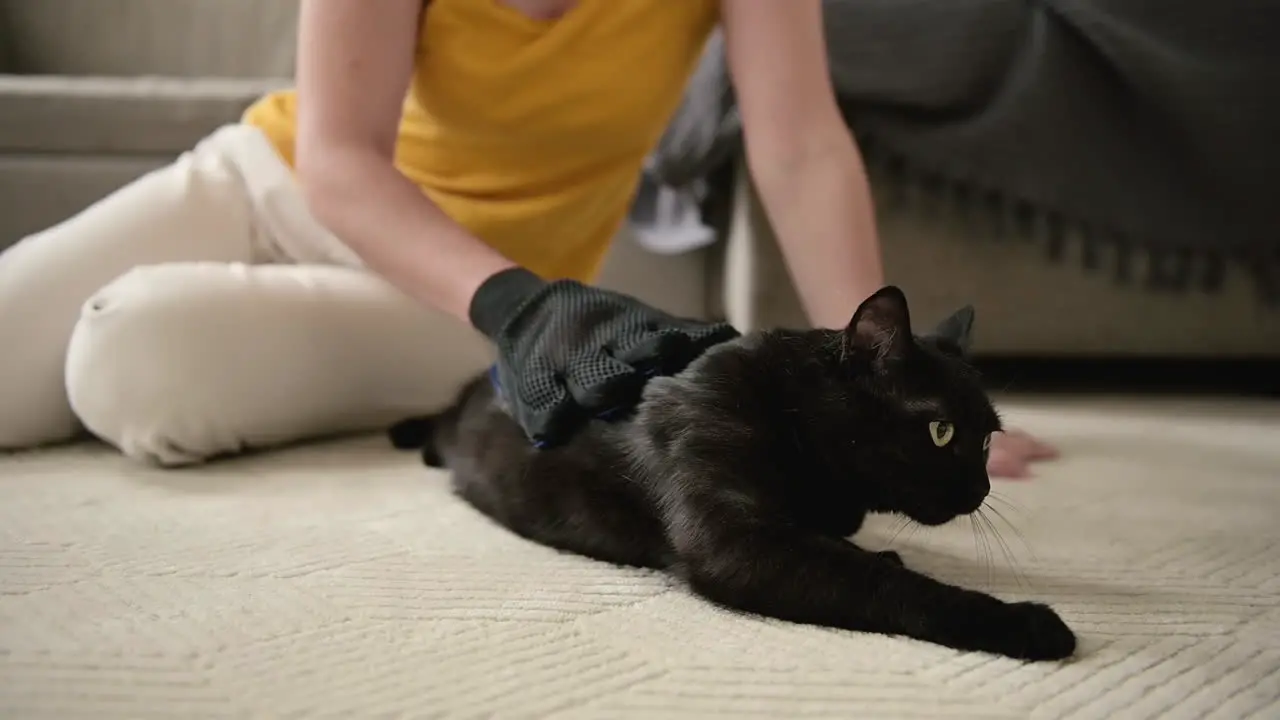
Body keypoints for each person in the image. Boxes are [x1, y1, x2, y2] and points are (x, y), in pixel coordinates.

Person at [0, 0, 1057, 475]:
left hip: (461, 302)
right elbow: (338, 157)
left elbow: (798, 148)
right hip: (264, 184)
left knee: (128, 355)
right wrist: (526, 307)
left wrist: (890, 390)